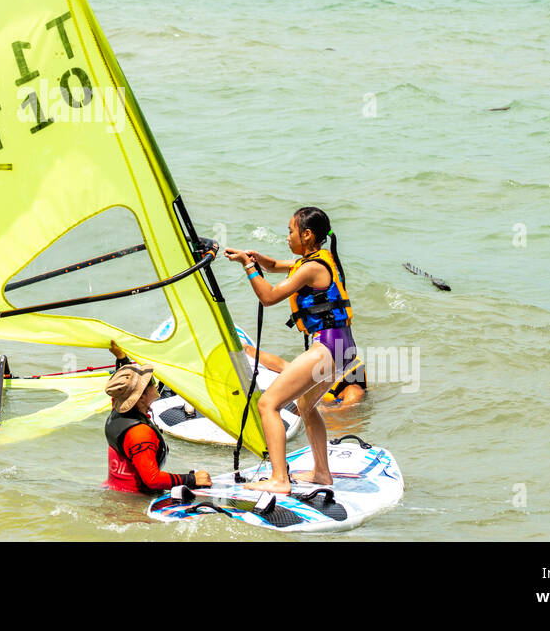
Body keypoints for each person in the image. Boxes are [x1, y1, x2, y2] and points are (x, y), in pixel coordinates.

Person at [224, 206, 358, 493]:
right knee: (306, 405)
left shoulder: (311, 268)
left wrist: (249, 269)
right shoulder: (318, 260)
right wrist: (253, 258)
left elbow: (269, 297)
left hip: (328, 345)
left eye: (290, 231)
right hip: (343, 346)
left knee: (267, 404)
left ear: (307, 235)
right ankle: (322, 473)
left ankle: (279, 479)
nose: (287, 237)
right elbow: (274, 266)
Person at [103, 344, 212, 495]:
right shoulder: (139, 434)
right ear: (141, 397)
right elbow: (152, 480)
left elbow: (125, 387)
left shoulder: (118, 412)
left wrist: (121, 358)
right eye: (152, 383)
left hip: (115, 490)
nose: (156, 385)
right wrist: (192, 479)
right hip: (133, 504)